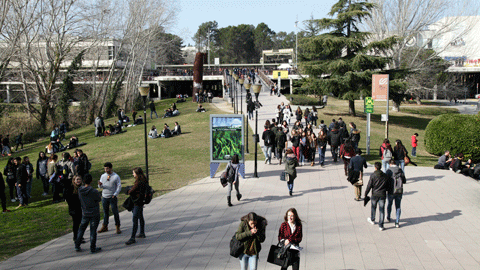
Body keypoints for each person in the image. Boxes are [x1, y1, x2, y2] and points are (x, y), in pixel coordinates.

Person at [75, 174, 102, 253]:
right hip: (94, 213)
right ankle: (92, 247)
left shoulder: (80, 190)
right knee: (93, 231)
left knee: (81, 229)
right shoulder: (94, 191)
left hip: (85, 213)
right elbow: (98, 199)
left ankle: (77, 245)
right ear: (91, 181)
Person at [125, 167, 148, 245]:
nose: (133, 174)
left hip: (137, 202)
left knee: (135, 219)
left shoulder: (138, 182)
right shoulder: (144, 180)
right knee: (140, 217)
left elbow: (131, 191)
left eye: (133, 173)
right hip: (141, 202)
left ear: (137, 174)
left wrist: (128, 190)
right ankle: (142, 232)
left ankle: (132, 237)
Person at [364, 162, 391, 231]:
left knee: (373, 207)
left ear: (375, 167)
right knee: (382, 209)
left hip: (375, 194)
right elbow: (388, 186)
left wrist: (366, 193)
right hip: (382, 194)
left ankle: (372, 219)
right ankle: (381, 225)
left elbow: (369, 185)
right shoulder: (385, 176)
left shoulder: (373, 175)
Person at [98, 162, 122, 234]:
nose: (106, 170)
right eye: (105, 168)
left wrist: (115, 194)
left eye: (107, 168)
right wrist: (100, 185)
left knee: (115, 212)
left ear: (111, 168)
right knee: (105, 212)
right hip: (105, 196)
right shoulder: (103, 176)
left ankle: (117, 226)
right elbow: (101, 186)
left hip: (112, 196)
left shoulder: (116, 176)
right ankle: (105, 226)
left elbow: (119, 186)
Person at [386, 159, 406, 228]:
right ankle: (397, 221)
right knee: (398, 206)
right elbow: (404, 180)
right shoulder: (400, 170)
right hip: (399, 190)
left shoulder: (389, 171)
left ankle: (388, 216)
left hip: (391, 190)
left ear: (390, 164)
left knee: (389, 204)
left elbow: (386, 181)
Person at [65, 175, 84, 243]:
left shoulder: (82, 188)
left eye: (79, 179)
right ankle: (76, 237)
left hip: (81, 209)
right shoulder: (71, 189)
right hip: (74, 209)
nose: (78, 181)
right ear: (74, 181)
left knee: (81, 223)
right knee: (76, 223)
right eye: (77, 179)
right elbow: (68, 199)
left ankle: (80, 236)